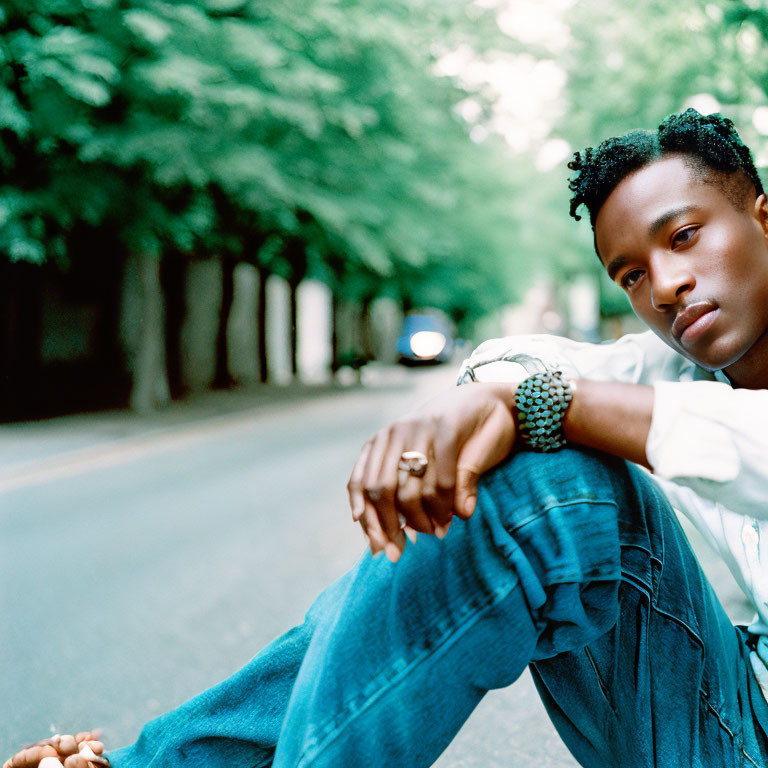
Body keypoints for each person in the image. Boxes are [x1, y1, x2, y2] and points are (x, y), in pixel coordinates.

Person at [6, 108, 768, 768]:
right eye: (630, 274)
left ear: (762, 218)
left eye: (686, 236)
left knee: (556, 488)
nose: (664, 285)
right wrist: (473, 407)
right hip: (715, 716)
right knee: (530, 478)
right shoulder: (664, 370)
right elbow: (516, 365)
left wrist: (535, 401)